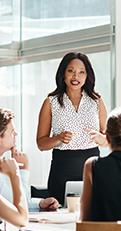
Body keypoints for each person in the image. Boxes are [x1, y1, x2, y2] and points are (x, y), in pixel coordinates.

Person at [36, 52, 108, 205]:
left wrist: (101, 138)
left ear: (87, 75)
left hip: (92, 167)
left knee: (93, 214)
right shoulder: (50, 102)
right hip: (62, 169)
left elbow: (108, 139)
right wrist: (58, 138)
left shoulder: (97, 101)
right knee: (61, 213)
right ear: (63, 74)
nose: (76, 76)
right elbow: (41, 144)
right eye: (71, 71)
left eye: (81, 72)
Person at [0, 108, 59, 213]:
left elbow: (10, 199)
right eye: (12, 131)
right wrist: (22, 170)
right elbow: (16, 204)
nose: (16, 134)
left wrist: (40, 203)